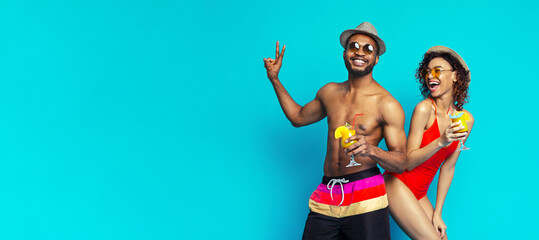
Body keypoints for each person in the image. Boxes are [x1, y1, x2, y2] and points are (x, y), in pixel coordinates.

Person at [263, 22, 406, 240]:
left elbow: (401, 161)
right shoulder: (329, 92)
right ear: (345, 53)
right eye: (354, 47)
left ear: (376, 59)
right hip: (328, 193)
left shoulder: (387, 104)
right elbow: (298, 117)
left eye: (368, 49)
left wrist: (371, 150)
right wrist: (275, 79)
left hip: (366, 194)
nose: (359, 52)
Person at [384, 46, 474, 240]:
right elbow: (408, 162)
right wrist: (441, 141)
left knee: (442, 238)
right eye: (427, 72)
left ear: (455, 76)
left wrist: (438, 213)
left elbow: (449, 167)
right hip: (398, 182)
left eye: (437, 70)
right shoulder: (424, 110)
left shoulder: (466, 119)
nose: (430, 76)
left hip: (420, 191)